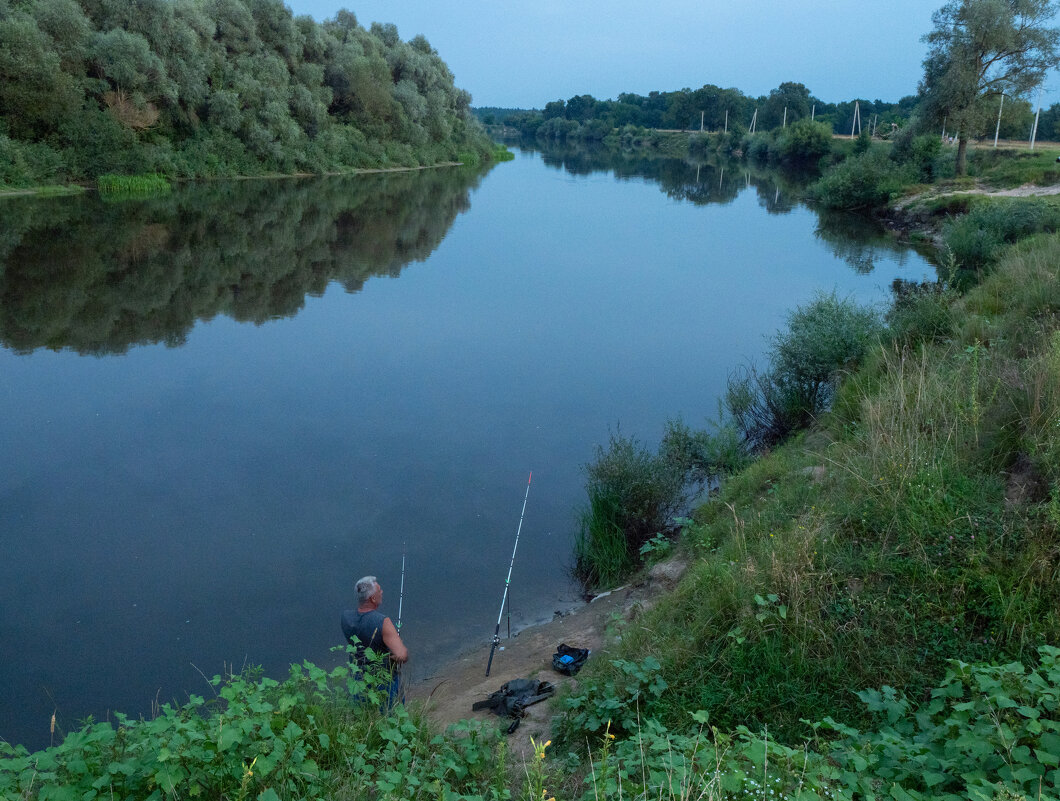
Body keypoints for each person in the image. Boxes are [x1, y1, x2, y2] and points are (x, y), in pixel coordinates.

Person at [341, 575, 408, 709]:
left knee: (364, 717)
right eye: (379, 590)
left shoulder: (345, 617)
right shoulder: (383, 621)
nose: (382, 592)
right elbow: (401, 655)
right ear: (372, 598)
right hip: (384, 682)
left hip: (357, 680)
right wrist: (392, 657)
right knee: (392, 717)